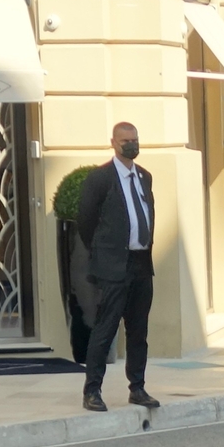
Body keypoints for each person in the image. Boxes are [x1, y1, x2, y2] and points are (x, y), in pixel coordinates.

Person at [71, 120, 161, 412]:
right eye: (125, 141)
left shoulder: (144, 177)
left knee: (138, 331)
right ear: (113, 143)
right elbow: (86, 221)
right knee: (105, 329)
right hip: (113, 266)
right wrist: (102, 254)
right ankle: (92, 391)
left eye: (134, 139)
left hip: (140, 264)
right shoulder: (101, 178)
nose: (131, 145)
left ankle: (138, 387)